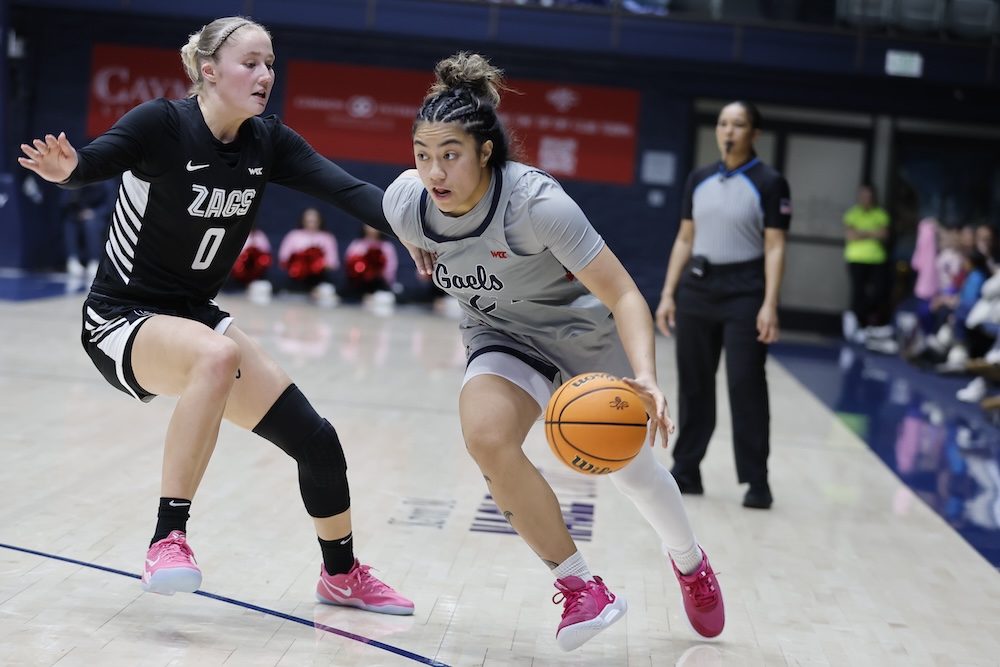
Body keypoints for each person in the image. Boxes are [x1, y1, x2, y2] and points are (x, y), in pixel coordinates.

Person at [17, 16, 413, 615]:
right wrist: (66, 170)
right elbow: (92, 163)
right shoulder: (161, 124)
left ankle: (341, 575)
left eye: (270, 63)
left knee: (317, 442)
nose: (265, 75)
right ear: (209, 71)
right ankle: (167, 539)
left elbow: (349, 191)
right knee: (217, 354)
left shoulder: (268, 142)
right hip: (121, 317)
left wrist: (424, 232)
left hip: (194, 316)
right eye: (250, 63)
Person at [383, 52, 724, 652]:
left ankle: (690, 562)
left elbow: (624, 293)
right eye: (422, 155)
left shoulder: (535, 206)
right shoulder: (408, 204)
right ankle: (582, 586)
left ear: (486, 152)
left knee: (634, 474)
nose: (434, 171)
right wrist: (414, 242)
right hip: (502, 336)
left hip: (583, 338)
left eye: (450, 155)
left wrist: (646, 376)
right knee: (486, 436)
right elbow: (400, 217)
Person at [654, 100, 790, 510]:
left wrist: (769, 303)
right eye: (723, 123)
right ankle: (687, 470)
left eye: (739, 124)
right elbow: (684, 238)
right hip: (698, 289)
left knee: (745, 383)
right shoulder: (698, 179)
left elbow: (775, 245)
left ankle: (756, 480)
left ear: (754, 133)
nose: (729, 131)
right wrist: (668, 293)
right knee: (694, 383)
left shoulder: (770, 182)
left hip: (745, 290)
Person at [842, 182, 890, 342]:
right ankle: (856, 323)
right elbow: (851, 235)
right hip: (856, 258)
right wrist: (872, 233)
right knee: (858, 292)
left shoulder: (880, 214)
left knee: (878, 292)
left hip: (876, 259)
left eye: (869, 196)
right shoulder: (852, 214)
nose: (866, 199)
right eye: (863, 196)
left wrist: (861, 232)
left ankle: (866, 323)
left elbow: (883, 234)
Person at [276, 206, 340, 305]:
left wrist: (317, 263)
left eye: (314, 221)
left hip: (318, 279)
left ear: (320, 221)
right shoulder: (293, 235)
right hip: (296, 280)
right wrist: (299, 262)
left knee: (331, 290)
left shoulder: (327, 237)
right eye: (308, 221)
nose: (311, 224)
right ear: (303, 221)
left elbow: (333, 264)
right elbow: (283, 260)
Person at [61, 179, 114, 279]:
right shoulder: (81, 183)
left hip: (102, 218)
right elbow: (67, 203)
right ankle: (73, 259)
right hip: (82, 216)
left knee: (90, 224)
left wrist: (94, 213)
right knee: (70, 223)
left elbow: (110, 206)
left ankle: (94, 260)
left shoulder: (107, 184)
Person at [340, 223, 399, 304]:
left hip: (378, 282)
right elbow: (349, 262)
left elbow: (391, 267)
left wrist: (377, 271)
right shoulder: (357, 244)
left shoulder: (387, 246)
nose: (372, 229)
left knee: (390, 296)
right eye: (369, 226)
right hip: (359, 283)